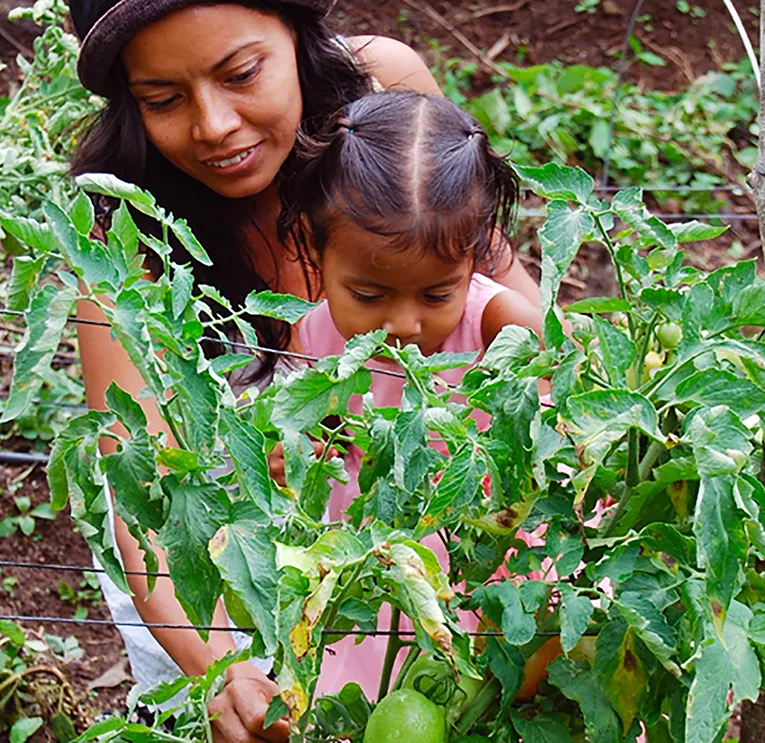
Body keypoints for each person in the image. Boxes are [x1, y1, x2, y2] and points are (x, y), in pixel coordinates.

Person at [68, 1, 542, 740]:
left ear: (296, 31)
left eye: (242, 73)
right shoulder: (126, 226)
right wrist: (224, 669)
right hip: (224, 579)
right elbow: (148, 504)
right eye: (162, 98)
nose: (215, 124)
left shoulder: (382, 96)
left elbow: (513, 320)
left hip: (430, 547)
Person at [280, 89, 544, 697]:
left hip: (493, 572)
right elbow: (318, 436)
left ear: (475, 257)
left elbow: (569, 439)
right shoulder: (314, 332)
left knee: (489, 702)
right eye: (369, 296)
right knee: (377, 703)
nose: (403, 323)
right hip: (375, 578)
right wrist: (294, 450)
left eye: (435, 295)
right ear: (313, 253)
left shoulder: (500, 324)